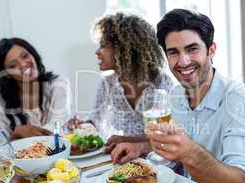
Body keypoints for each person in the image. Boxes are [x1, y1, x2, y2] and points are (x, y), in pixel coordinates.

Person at [111, 9, 245, 183]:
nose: (183, 62)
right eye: (173, 52)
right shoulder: (176, 95)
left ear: (211, 50)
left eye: (192, 49)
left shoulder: (242, 101)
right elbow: (176, 147)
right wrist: (142, 147)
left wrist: (189, 152)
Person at [69, 12, 175, 153]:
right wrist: (81, 126)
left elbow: (166, 138)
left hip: (159, 159)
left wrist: (126, 140)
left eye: (103, 46)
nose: (97, 52)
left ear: (124, 50)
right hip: (123, 155)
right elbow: (96, 121)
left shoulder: (162, 83)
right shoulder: (108, 83)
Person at [0, 38, 71, 141]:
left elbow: (57, 128)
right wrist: (16, 135)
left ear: (33, 54)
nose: (23, 65)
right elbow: (0, 147)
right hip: (18, 157)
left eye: (25, 56)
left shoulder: (59, 85)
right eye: (13, 65)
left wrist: (22, 136)